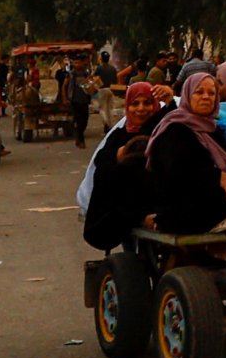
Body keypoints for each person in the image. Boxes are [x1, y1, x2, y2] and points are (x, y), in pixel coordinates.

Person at [149, 72, 226, 235]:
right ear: (187, 95)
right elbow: (179, 170)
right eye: (199, 92)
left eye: (212, 93)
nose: (206, 97)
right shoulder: (175, 128)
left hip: (203, 195)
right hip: (181, 205)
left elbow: (208, 158)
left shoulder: (212, 129)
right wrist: (218, 177)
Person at [80, 82, 167, 250]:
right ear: (128, 106)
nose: (141, 109)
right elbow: (101, 160)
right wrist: (118, 155)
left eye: (147, 103)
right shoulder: (120, 134)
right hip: (126, 213)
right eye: (135, 104)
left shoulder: (163, 129)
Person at [66, 55, 95, 149]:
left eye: (79, 62)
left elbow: (91, 85)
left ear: (82, 63)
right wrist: (67, 98)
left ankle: (78, 137)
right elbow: (66, 86)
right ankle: (80, 140)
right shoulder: (71, 74)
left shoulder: (86, 74)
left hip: (85, 100)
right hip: (75, 100)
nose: (77, 64)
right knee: (78, 120)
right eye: (75, 63)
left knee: (85, 120)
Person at [95, 52, 120, 132]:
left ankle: (106, 123)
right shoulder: (113, 68)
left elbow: (95, 78)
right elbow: (116, 80)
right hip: (111, 89)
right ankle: (110, 125)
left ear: (101, 59)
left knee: (102, 108)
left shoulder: (99, 68)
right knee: (110, 109)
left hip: (102, 90)